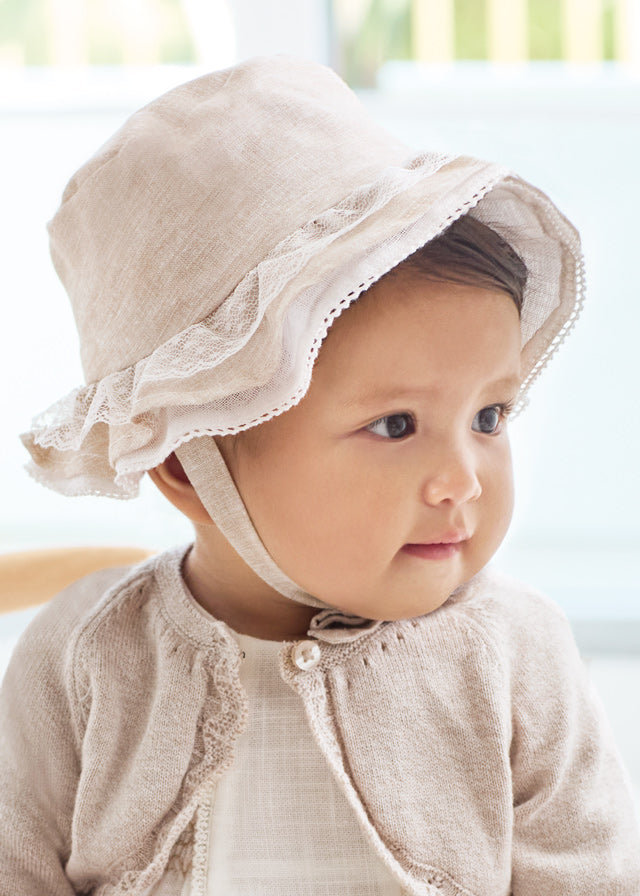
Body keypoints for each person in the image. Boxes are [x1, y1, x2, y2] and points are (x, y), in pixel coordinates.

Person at [1, 55, 638, 896]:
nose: (462, 479)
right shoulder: (84, 655)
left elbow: (588, 876)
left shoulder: (518, 653)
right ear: (186, 460)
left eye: (490, 417)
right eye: (395, 424)